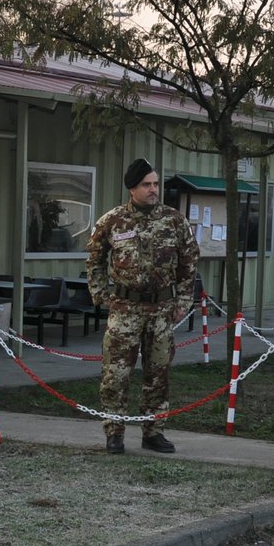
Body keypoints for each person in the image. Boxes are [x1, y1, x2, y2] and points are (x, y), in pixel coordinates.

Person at [85, 158, 197, 455]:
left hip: (161, 310)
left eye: (156, 184)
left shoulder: (174, 220)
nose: (153, 189)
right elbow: (94, 261)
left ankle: (154, 431)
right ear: (132, 188)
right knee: (116, 374)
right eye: (147, 184)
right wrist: (100, 295)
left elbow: (189, 263)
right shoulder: (112, 220)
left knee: (158, 373)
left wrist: (183, 301)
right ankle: (114, 432)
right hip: (124, 310)